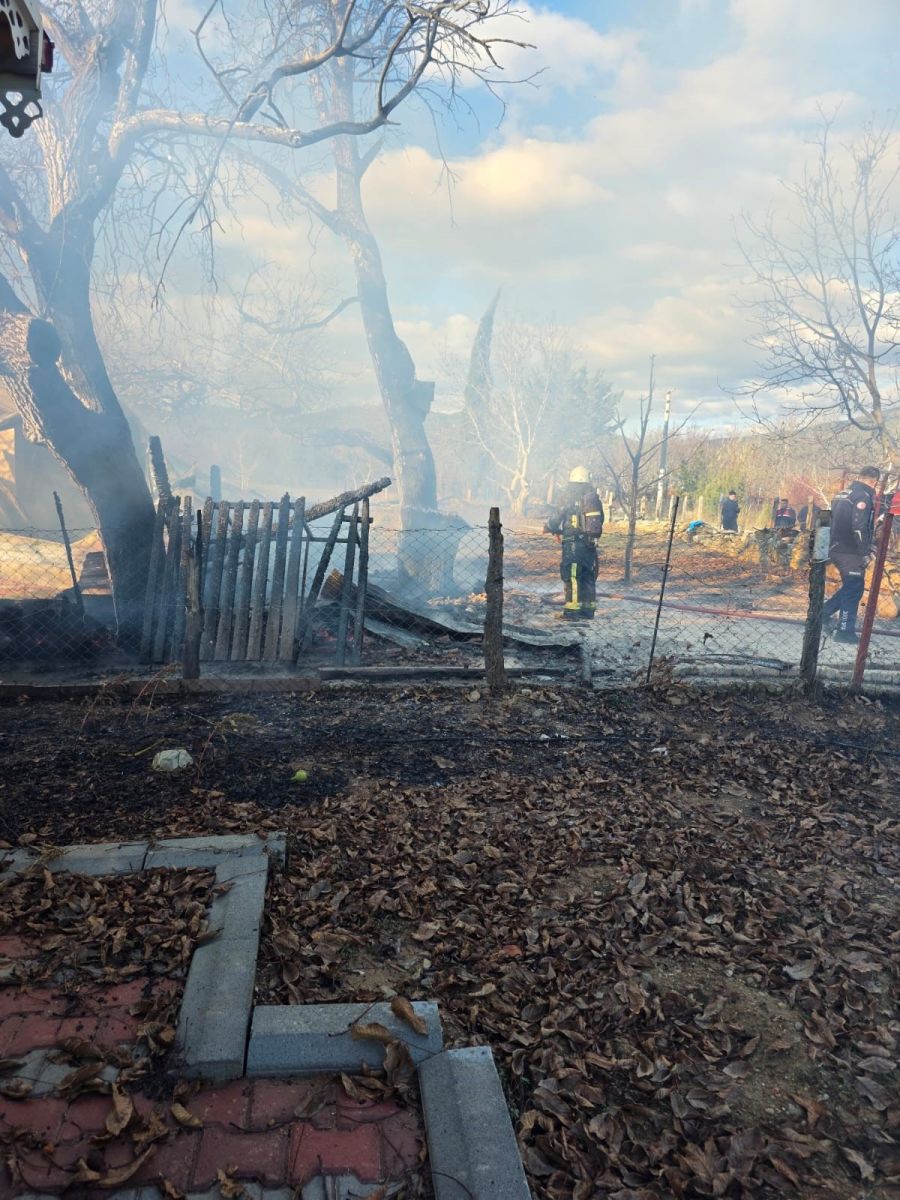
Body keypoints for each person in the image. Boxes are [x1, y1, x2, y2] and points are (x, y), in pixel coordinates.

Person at [821, 466, 880, 643]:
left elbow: (830, 518)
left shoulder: (842, 494)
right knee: (854, 588)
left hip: (835, 546)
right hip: (850, 550)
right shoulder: (863, 496)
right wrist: (865, 552)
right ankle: (844, 632)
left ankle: (821, 614)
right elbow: (859, 527)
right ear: (874, 481)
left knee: (852, 586)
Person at [544, 467, 604, 619]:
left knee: (573, 577)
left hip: (573, 545)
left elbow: (557, 516)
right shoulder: (593, 498)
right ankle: (588, 610)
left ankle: (572, 611)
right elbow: (601, 519)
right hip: (589, 544)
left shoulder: (569, 497)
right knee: (588, 575)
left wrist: (549, 526)